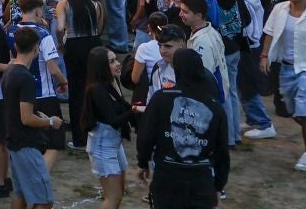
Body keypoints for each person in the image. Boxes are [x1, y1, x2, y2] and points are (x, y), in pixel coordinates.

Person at [135, 49, 228, 209]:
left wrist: (143, 162)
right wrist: (218, 186)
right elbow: (222, 152)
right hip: (201, 178)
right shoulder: (215, 107)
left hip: (168, 175)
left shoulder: (161, 98)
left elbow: (145, 135)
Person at [260, 0, 306, 170]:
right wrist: (264, 56)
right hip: (286, 67)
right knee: (293, 111)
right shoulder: (279, 9)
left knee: (305, 108)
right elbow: (269, 32)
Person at [2, 27, 59, 209]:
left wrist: (38, 116)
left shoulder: (9, 71)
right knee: (43, 200)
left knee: (21, 193)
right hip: (26, 144)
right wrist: (50, 121)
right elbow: (26, 118)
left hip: (14, 141)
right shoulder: (25, 77)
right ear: (37, 48)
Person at [79, 47, 131, 209]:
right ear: (101, 66)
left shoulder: (112, 82)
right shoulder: (96, 90)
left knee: (119, 193)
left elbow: (123, 107)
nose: (118, 64)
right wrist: (135, 111)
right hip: (102, 145)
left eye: (116, 59)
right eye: (112, 61)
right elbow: (113, 120)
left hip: (114, 143)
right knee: (112, 197)